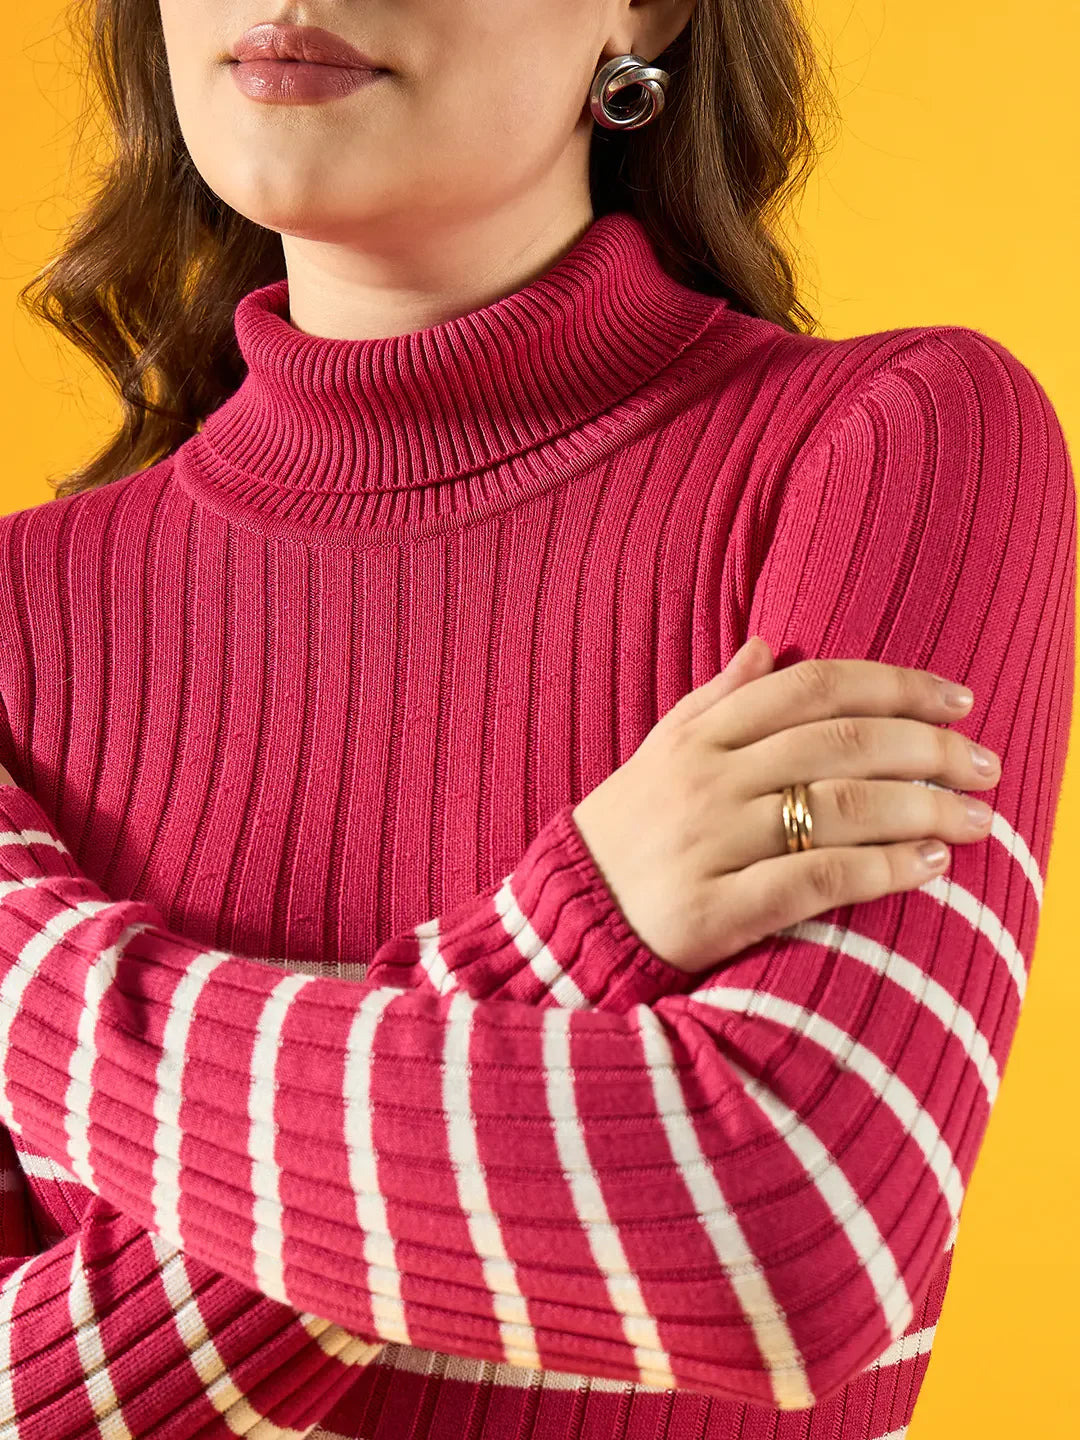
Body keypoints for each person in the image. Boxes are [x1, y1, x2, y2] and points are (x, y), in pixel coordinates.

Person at [0, 2, 1073, 1438]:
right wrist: (563, 942)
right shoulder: (21, 612)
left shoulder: (894, 446)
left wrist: (34, 999)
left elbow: (792, 1249)